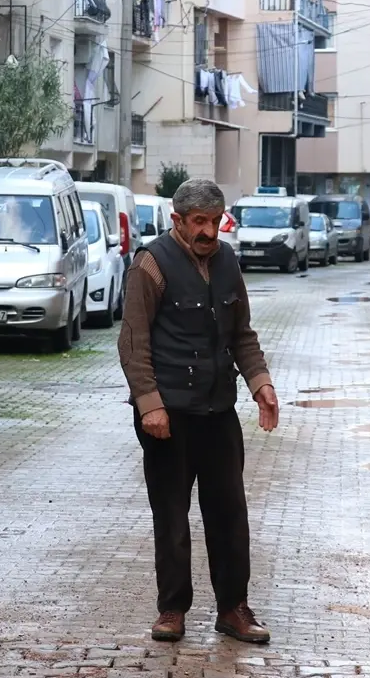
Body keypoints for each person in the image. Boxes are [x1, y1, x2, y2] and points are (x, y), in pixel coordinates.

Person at [118, 178, 280, 645]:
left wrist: (260, 383)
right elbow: (133, 343)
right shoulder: (151, 263)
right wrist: (150, 404)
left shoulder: (228, 261)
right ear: (178, 221)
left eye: (215, 221)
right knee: (171, 514)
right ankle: (172, 610)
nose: (209, 231)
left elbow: (242, 335)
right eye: (199, 222)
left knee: (230, 512)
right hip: (166, 415)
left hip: (217, 409)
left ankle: (233, 608)